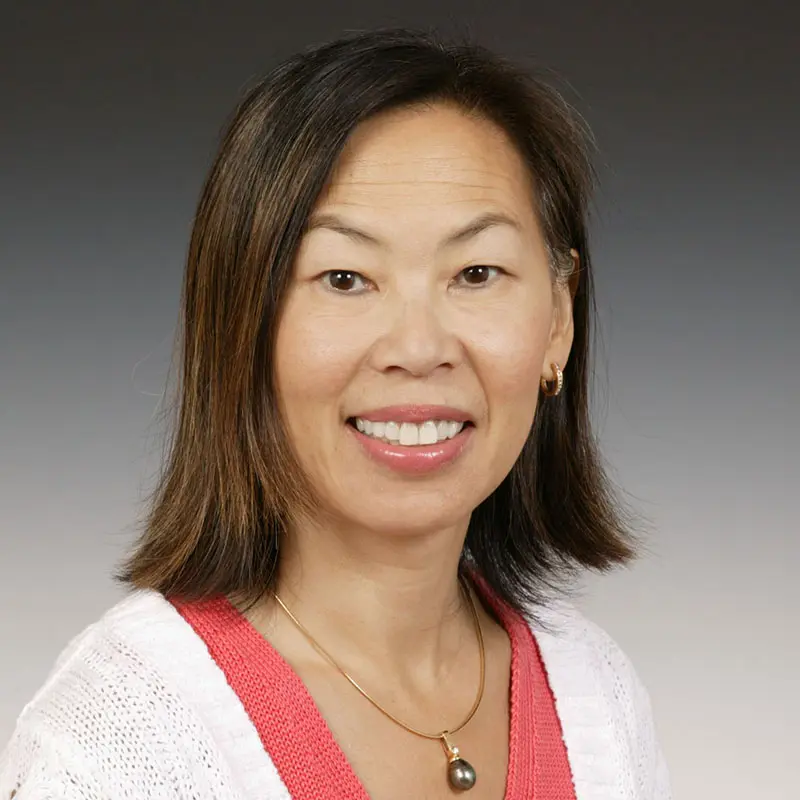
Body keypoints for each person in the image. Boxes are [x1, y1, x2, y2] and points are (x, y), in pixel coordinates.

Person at [0, 27, 671, 800]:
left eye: (477, 272)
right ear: (241, 326)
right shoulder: (122, 740)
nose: (418, 348)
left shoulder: (598, 701)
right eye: (345, 277)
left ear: (558, 320)